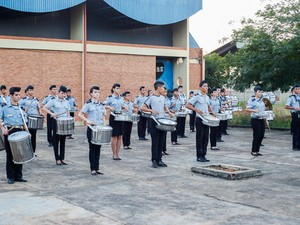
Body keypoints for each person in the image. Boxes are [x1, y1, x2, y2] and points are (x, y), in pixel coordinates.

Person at [141, 81, 173, 168]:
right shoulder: (151, 98)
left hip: (162, 121)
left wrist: (169, 112)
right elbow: (142, 107)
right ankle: (154, 160)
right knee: (155, 141)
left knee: (161, 141)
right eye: (163, 87)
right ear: (158, 88)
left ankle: (160, 160)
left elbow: (164, 107)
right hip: (154, 121)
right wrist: (152, 111)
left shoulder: (163, 98)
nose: (164, 89)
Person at [0, 87, 28, 184]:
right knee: (10, 154)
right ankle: (10, 177)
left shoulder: (21, 108)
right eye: (16, 95)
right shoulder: (4, 107)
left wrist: (27, 132)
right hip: (10, 131)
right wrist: (3, 129)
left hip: (20, 130)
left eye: (19, 95)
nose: (18, 97)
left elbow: (24, 122)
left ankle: (18, 176)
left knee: (20, 154)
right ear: (11, 95)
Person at [78, 86, 106, 175]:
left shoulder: (101, 105)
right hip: (92, 129)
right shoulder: (88, 104)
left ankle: (97, 168)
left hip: (100, 129)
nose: (97, 94)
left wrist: (104, 126)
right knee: (92, 148)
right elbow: (80, 114)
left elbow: (103, 116)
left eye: (98, 92)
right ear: (91, 94)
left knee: (98, 149)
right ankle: (92, 168)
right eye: (95, 92)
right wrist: (87, 121)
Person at [186, 80, 215, 162]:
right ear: (200, 87)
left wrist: (213, 113)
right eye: (204, 86)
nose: (206, 87)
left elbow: (209, 107)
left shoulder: (207, 97)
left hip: (207, 118)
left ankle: (204, 155)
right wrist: (196, 110)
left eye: (207, 86)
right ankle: (199, 156)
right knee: (200, 138)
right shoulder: (197, 96)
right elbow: (188, 105)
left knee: (206, 138)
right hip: (199, 119)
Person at [42, 85, 70, 165]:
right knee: (56, 141)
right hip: (56, 122)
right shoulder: (53, 100)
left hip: (64, 123)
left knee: (63, 141)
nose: (63, 95)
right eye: (62, 93)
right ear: (59, 92)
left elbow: (67, 112)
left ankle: (62, 158)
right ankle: (57, 158)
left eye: (64, 93)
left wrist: (69, 119)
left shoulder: (66, 101)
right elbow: (44, 108)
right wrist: (52, 113)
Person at [104, 83, 127, 160]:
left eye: (119, 88)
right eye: (117, 88)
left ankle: (117, 154)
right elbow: (103, 105)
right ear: (113, 89)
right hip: (113, 118)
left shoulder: (121, 98)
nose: (118, 90)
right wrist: (110, 107)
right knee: (114, 136)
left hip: (120, 117)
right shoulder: (110, 98)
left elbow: (122, 105)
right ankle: (114, 154)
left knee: (120, 136)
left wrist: (124, 108)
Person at [19, 85, 42, 155]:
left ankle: (33, 152)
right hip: (27, 120)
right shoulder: (24, 100)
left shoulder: (36, 100)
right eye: (29, 90)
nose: (31, 92)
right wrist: (23, 110)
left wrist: (40, 113)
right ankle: (26, 151)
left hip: (34, 120)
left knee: (33, 136)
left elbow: (38, 108)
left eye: (32, 90)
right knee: (26, 136)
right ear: (27, 91)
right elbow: (18, 107)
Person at [246, 86, 266, 156]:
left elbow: (263, 111)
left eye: (261, 92)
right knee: (256, 135)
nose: (260, 93)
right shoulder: (252, 100)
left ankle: (257, 150)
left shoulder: (262, 100)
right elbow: (247, 109)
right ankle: (253, 150)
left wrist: (265, 119)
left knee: (261, 135)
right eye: (259, 92)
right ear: (255, 92)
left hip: (262, 119)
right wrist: (255, 110)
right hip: (255, 120)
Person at [285, 84, 300, 151]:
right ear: (293, 90)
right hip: (295, 115)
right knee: (296, 131)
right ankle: (295, 146)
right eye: (296, 89)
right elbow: (286, 106)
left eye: (298, 89)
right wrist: (294, 107)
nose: (297, 90)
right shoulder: (291, 97)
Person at [162, 87, 170, 155]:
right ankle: (160, 150)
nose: (165, 93)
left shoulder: (167, 99)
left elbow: (168, 108)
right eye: (164, 92)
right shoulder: (159, 99)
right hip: (160, 119)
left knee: (165, 135)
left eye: (166, 92)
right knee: (160, 136)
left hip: (166, 118)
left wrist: (170, 112)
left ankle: (164, 149)